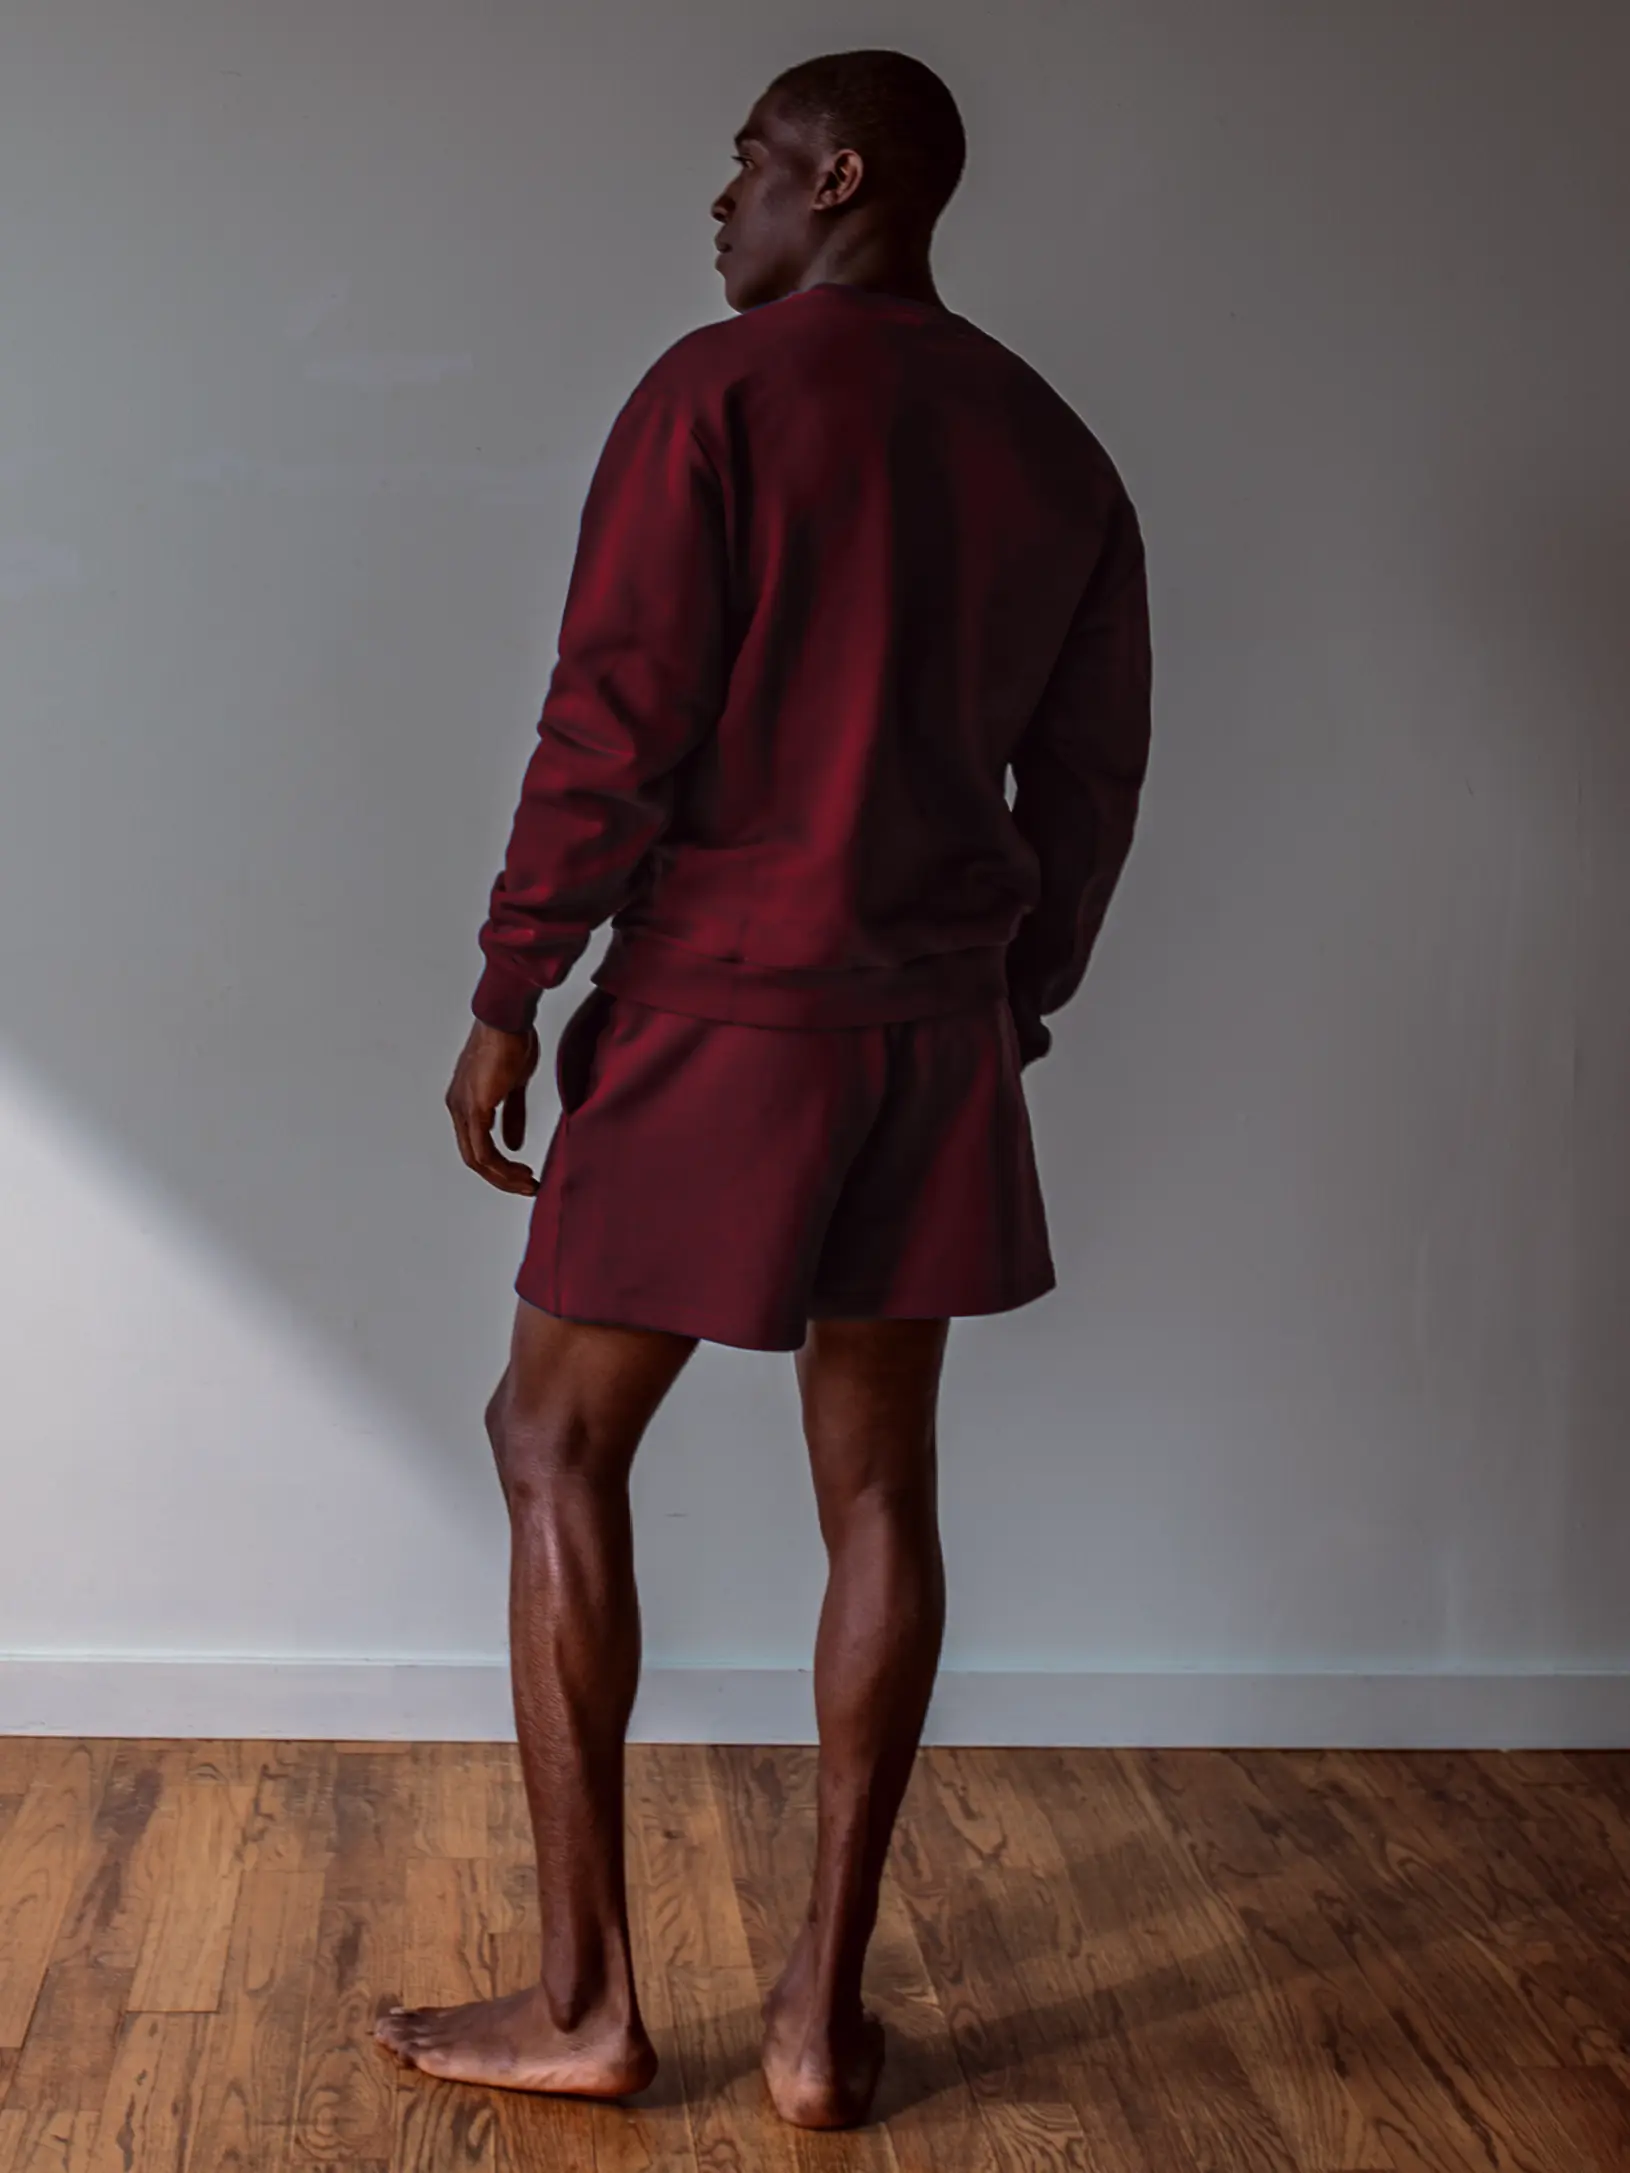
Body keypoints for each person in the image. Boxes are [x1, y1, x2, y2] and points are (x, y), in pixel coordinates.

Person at [375, 46, 1152, 2132]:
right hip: (931, 1028)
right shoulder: (1049, 446)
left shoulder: (712, 399)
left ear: (838, 172)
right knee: (878, 1486)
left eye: (738, 167)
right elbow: (1087, 787)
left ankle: (586, 2002)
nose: (714, 206)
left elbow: (613, 717)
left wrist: (509, 986)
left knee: (547, 1434)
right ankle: (816, 2020)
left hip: (725, 1006)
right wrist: (1014, 996)